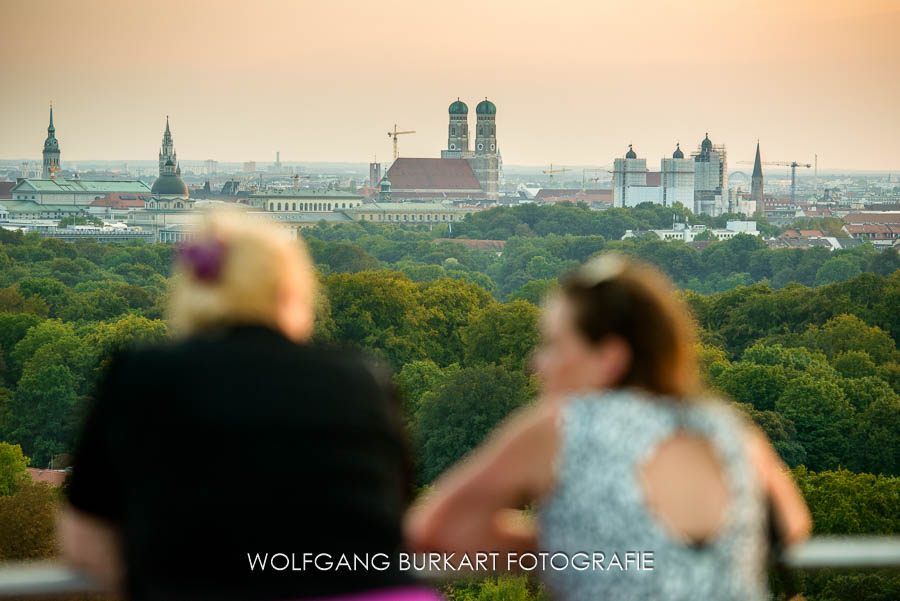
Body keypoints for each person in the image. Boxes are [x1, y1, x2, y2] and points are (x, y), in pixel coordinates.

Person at [60, 210, 440, 601]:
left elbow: (85, 539)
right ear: (292, 289)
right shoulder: (364, 377)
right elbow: (397, 518)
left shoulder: (140, 373)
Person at [405, 252, 812, 601]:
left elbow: (437, 529)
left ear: (609, 358)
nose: (537, 363)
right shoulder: (729, 428)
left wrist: (570, 547)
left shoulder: (562, 428)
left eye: (553, 345)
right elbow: (793, 526)